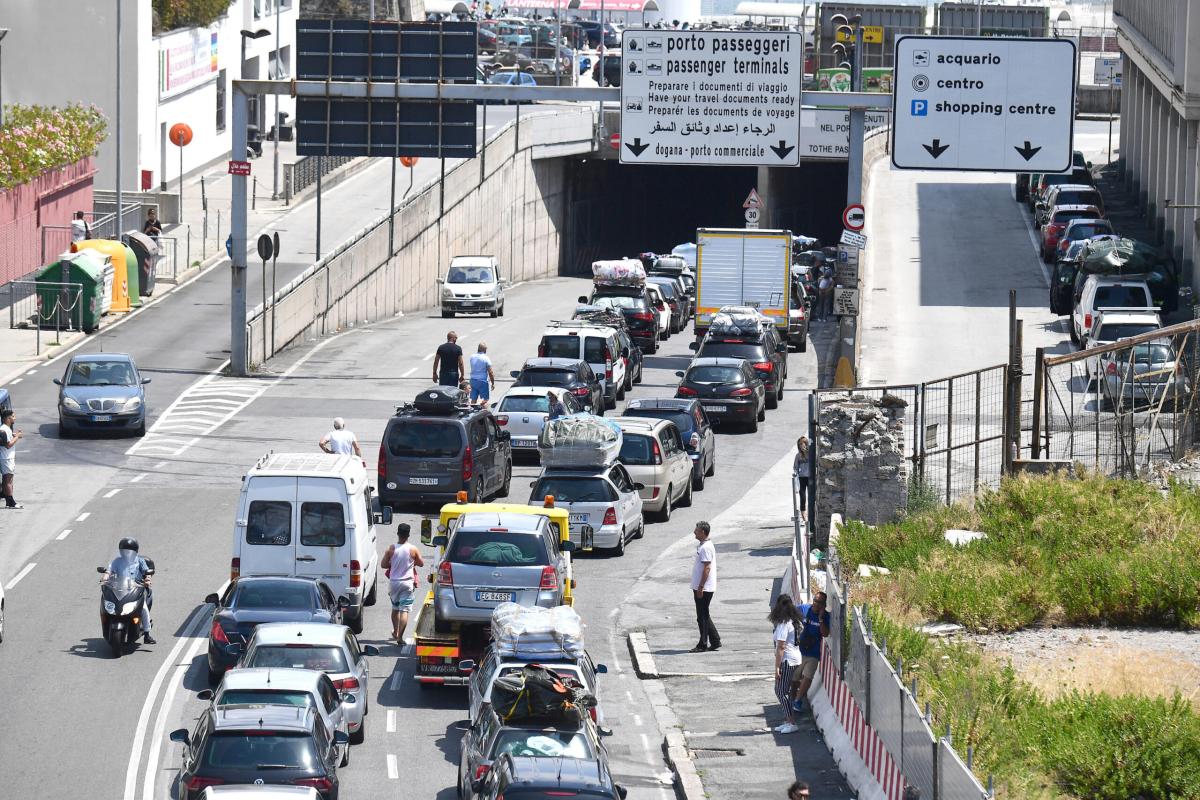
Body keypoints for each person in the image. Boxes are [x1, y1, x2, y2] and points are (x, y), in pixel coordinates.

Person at [101, 537, 156, 644]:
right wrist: (105, 577)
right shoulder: (117, 561)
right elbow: (109, 570)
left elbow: (147, 572)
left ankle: (147, 634)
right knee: (109, 605)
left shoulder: (140, 561)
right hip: (120, 588)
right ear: (120, 551)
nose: (127, 553)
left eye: (129, 551)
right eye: (124, 551)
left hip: (136, 588)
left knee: (143, 609)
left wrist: (148, 580)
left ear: (135, 551)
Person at [382, 523, 424, 644]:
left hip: (394, 583)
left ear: (398, 533)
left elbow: (383, 565)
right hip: (407, 584)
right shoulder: (413, 549)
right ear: (408, 535)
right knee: (404, 610)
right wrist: (412, 562)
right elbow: (421, 563)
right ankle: (400, 637)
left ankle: (395, 631)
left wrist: (393, 563)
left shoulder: (391, 549)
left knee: (395, 608)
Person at [769, 594, 804, 734]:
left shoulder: (784, 624)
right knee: (786, 691)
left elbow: (781, 647)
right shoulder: (796, 622)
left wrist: (777, 667)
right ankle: (788, 720)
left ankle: (790, 721)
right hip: (796, 658)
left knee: (780, 691)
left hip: (787, 660)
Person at [792, 592, 831, 713]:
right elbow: (790, 612)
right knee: (795, 677)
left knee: (808, 676)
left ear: (824, 605)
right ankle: (792, 698)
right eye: (815, 601)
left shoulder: (826, 616)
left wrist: (820, 619)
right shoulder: (804, 609)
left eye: (819, 603)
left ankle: (798, 700)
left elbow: (825, 634)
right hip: (800, 650)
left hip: (813, 652)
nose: (816, 604)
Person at [690, 521, 720, 652]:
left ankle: (703, 644)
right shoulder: (704, 546)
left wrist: (701, 586)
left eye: (696, 530)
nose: (694, 532)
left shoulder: (706, 548)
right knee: (704, 614)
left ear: (703, 532)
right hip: (702, 586)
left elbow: (707, 568)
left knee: (701, 616)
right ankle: (715, 640)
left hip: (704, 587)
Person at [0, 410, 22, 509]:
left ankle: (6, 497)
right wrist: (16, 437)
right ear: (8, 418)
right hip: (6, 458)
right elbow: (8, 445)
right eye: (13, 416)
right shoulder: (3, 429)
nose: (15, 418)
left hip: (7, 458)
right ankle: (10, 502)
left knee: (8, 479)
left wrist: (14, 435)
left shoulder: (6, 429)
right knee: (8, 480)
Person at [469, 342, 495, 406]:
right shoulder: (486, 358)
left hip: (473, 380)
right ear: (484, 350)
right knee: (485, 400)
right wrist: (492, 383)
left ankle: (472, 412)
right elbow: (490, 372)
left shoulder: (472, 357)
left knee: (473, 399)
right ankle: (483, 413)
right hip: (482, 381)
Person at [793, 437, 811, 521]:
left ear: (806, 444)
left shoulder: (811, 454)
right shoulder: (798, 456)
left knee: (811, 496)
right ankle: (804, 516)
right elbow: (795, 467)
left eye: (802, 444)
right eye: (799, 445)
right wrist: (796, 473)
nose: (801, 446)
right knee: (802, 497)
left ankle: (811, 513)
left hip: (810, 478)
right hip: (802, 478)